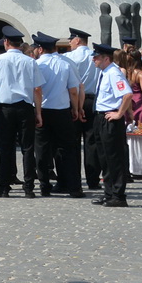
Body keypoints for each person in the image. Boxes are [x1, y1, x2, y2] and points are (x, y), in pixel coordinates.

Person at [0, 26, 41, 198]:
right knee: (28, 148)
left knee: (6, 148)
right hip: (25, 106)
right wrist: (38, 112)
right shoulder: (29, 61)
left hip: (5, 108)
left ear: (6, 42)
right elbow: (37, 89)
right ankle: (29, 187)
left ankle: (3, 187)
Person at [31, 33, 84, 198]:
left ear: (40, 49)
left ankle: (44, 185)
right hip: (61, 110)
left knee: (41, 149)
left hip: (43, 110)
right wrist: (76, 109)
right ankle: (74, 187)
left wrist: (37, 112)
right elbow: (74, 91)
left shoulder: (37, 65)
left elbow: (35, 90)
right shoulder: (66, 64)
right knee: (67, 149)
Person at [61, 28, 102, 190]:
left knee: (72, 141)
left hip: (73, 99)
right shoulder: (96, 56)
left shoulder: (68, 57)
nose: (69, 43)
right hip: (92, 100)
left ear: (77, 40)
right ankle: (93, 180)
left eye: (71, 40)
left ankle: (74, 179)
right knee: (92, 142)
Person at [90, 45, 131, 206]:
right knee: (104, 158)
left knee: (114, 158)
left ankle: (118, 195)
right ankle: (109, 193)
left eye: (97, 57)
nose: (94, 59)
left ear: (106, 58)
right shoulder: (105, 73)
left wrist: (119, 113)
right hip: (101, 117)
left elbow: (127, 94)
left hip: (111, 118)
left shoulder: (114, 73)